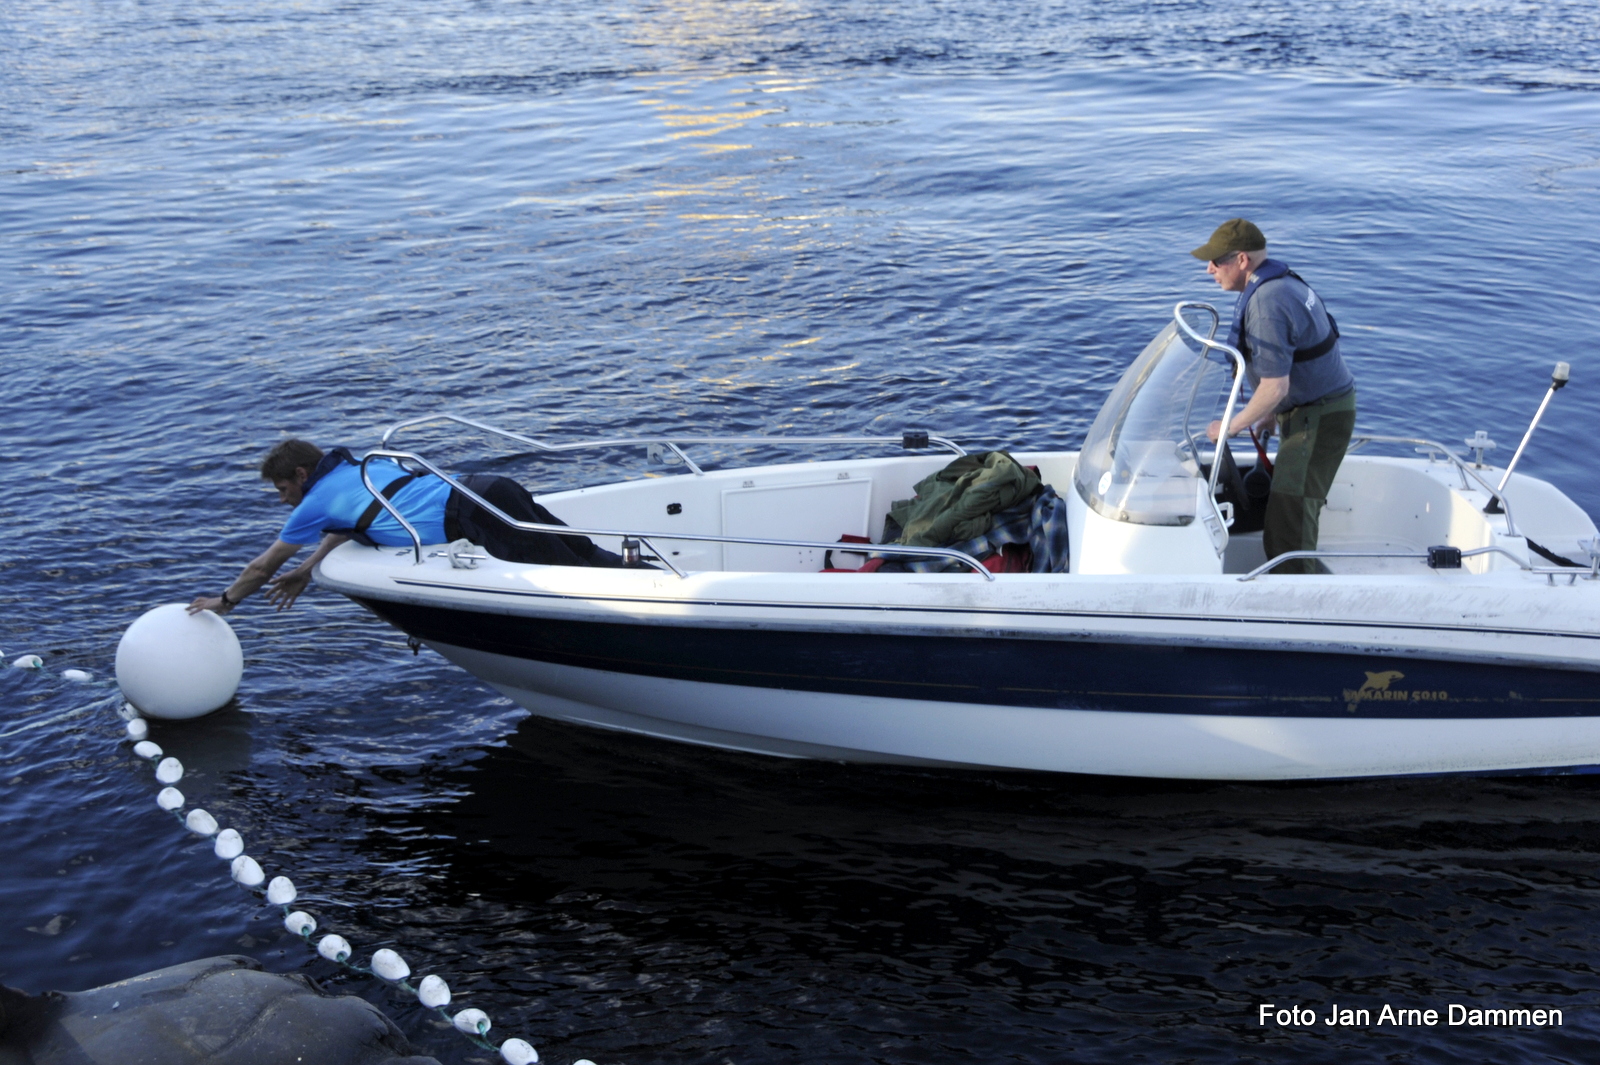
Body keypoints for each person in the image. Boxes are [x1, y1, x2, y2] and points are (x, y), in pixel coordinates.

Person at [188, 439, 625, 616]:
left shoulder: (311, 504)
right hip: (490, 487)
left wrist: (224, 602)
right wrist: (308, 569)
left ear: (302, 475)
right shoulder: (354, 471)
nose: (282, 500)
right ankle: (649, 576)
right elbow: (351, 523)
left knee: (572, 577)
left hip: (474, 513)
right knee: (583, 555)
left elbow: (262, 568)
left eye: (283, 489)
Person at [1191, 218, 1357, 574]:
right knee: (1288, 515)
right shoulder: (1281, 285)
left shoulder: (1266, 302)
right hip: (1312, 411)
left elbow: (1275, 386)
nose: (1209, 269)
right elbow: (1296, 368)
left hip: (1318, 418)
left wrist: (1230, 427)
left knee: (1287, 530)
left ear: (1242, 261)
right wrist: (1268, 414)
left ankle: (1301, 608)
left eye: (1216, 261)